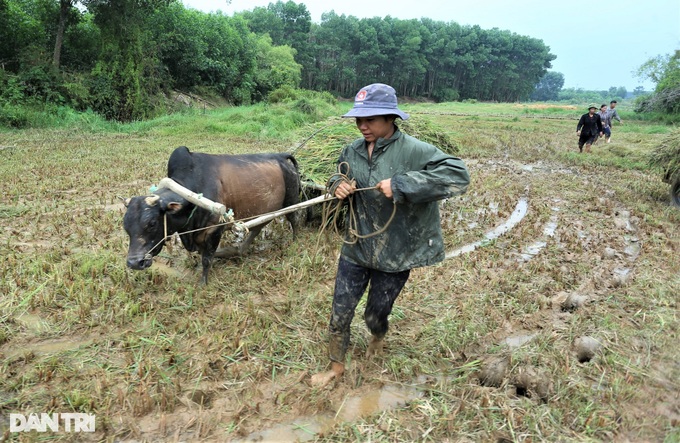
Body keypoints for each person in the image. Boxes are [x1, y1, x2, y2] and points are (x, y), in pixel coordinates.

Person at [310, 83, 470, 387]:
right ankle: (335, 366)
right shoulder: (351, 149)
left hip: (395, 251)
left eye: (370, 119)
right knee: (340, 308)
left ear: (390, 118)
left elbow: (459, 176)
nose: (362, 126)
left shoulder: (415, 150)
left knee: (376, 312)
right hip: (356, 245)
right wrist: (337, 184)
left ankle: (377, 336)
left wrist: (401, 184)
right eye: (359, 120)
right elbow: (339, 172)